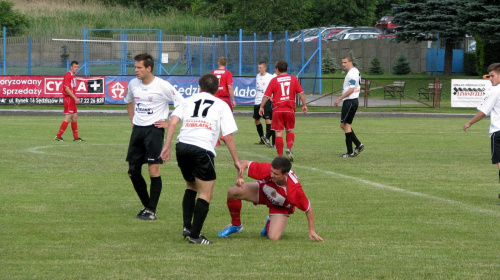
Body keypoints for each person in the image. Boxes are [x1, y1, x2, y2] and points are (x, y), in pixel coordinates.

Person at [160, 73, 242, 245]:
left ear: (199, 87)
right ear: (218, 89)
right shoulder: (221, 104)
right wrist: (236, 160)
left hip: (182, 146)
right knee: (206, 193)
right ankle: (195, 236)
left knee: (191, 185)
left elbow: (173, 122)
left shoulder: (188, 100)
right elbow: (227, 136)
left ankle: (187, 227)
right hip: (201, 148)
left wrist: (166, 146)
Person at [125, 53, 184, 221]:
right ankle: (148, 206)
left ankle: (151, 209)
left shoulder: (162, 86)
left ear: (148, 68)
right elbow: (128, 100)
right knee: (132, 171)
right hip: (138, 131)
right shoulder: (133, 84)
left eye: (139, 67)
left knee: (153, 170)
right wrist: (132, 119)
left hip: (154, 131)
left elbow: (181, 103)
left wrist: (170, 123)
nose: (136, 70)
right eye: (135, 67)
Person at [217, 156, 323, 242]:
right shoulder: (268, 169)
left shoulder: (294, 190)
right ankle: (236, 225)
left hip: (280, 205)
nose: (271, 175)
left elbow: (308, 208)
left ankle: (269, 222)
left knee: (273, 237)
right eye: (271, 171)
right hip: (263, 191)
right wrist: (239, 178)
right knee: (232, 192)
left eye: (276, 174)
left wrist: (312, 230)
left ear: (285, 174)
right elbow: (243, 163)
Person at [463, 62, 500, 200]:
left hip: (498, 131)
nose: (490, 79)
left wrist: (469, 122)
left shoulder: (495, 91)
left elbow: (483, 112)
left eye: (492, 76)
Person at [259, 60, 307, 162]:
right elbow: (301, 93)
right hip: (289, 110)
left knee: (278, 133)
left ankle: (280, 156)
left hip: (277, 110)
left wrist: (261, 107)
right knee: (290, 130)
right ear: (287, 69)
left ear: (277, 69)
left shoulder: (274, 80)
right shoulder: (293, 79)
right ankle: (289, 148)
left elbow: (266, 96)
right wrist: (304, 105)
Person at [334, 54, 365, 158]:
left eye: (345, 62)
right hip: (351, 101)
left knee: (345, 125)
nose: (343, 64)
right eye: (342, 62)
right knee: (345, 125)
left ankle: (354, 148)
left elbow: (351, 89)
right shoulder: (354, 72)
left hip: (350, 101)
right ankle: (354, 148)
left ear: (350, 62)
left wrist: (340, 98)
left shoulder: (352, 73)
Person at [54, 61, 83, 141]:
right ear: (71, 67)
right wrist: (75, 98)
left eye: (77, 67)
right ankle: (58, 136)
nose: (76, 68)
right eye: (75, 67)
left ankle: (76, 137)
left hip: (72, 99)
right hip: (69, 99)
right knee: (68, 118)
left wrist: (75, 98)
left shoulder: (73, 76)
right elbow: (67, 89)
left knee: (75, 118)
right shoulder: (68, 75)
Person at [211, 57, 236, 146]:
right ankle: (223, 136)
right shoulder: (228, 73)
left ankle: (216, 139)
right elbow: (229, 86)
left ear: (218, 63)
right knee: (228, 118)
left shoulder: (213, 72)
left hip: (215, 98)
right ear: (226, 64)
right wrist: (233, 100)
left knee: (214, 118)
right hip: (224, 98)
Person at [254, 62, 275, 147]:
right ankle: (262, 138)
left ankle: (268, 139)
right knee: (256, 120)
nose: (259, 69)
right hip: (257, 100)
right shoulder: (257, 76)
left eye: (261, 68)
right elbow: (257, 87)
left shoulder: (270, 76)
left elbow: (273, 87)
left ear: (265, 68)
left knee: (268, 120)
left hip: (266, 100)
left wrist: (272, 96)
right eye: (258, 68)